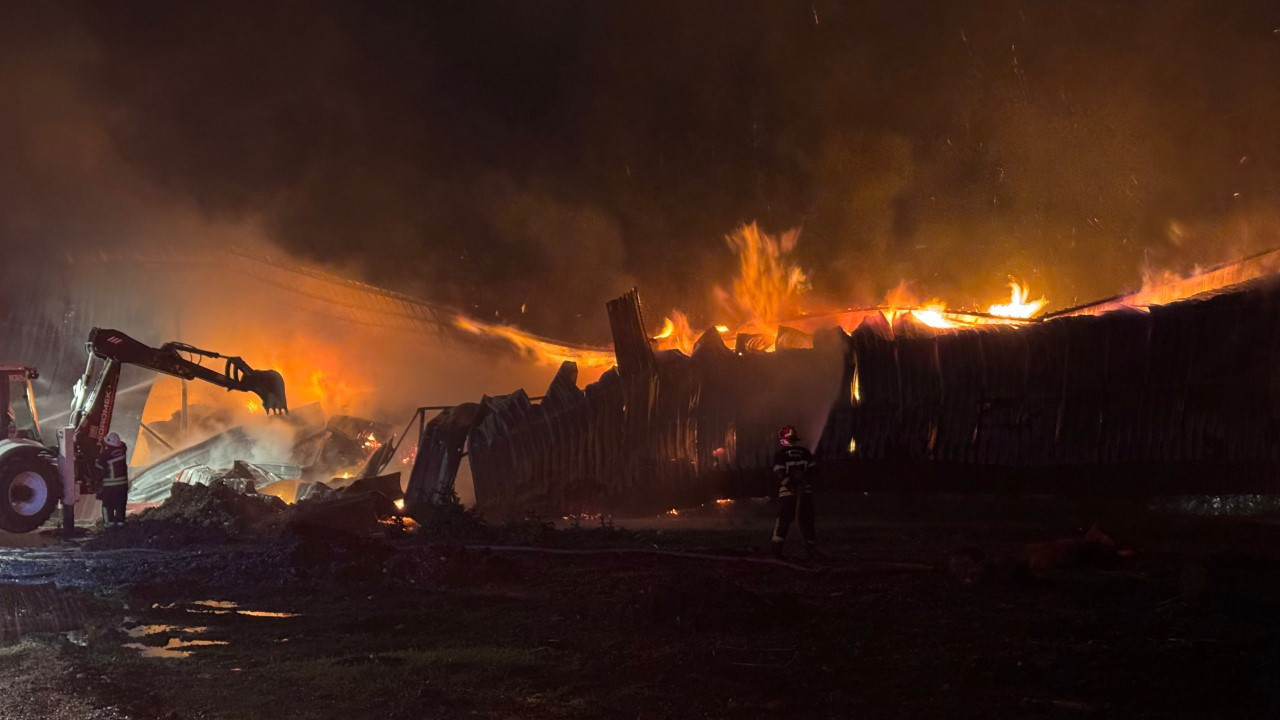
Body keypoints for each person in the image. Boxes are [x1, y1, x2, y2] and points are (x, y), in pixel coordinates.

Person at [771, 424, 817, 560]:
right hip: (806, 495)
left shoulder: (780, 455)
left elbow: (779, 473)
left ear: (784, 440)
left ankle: (776, 552)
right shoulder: (806, 453)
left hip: (787, 495)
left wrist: (789, 486)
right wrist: (804, 486)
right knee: (807, 522)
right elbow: (814, 472)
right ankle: (810, 552)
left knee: (783, 522)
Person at [96, 432, 129, 528]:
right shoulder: (122, 450)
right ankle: (120, 524)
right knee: (120, 505)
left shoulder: (106, 454)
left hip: (110, 486)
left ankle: (108, 525)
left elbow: (98, 465)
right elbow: (123, 445)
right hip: (123, 486)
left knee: (107, 506)